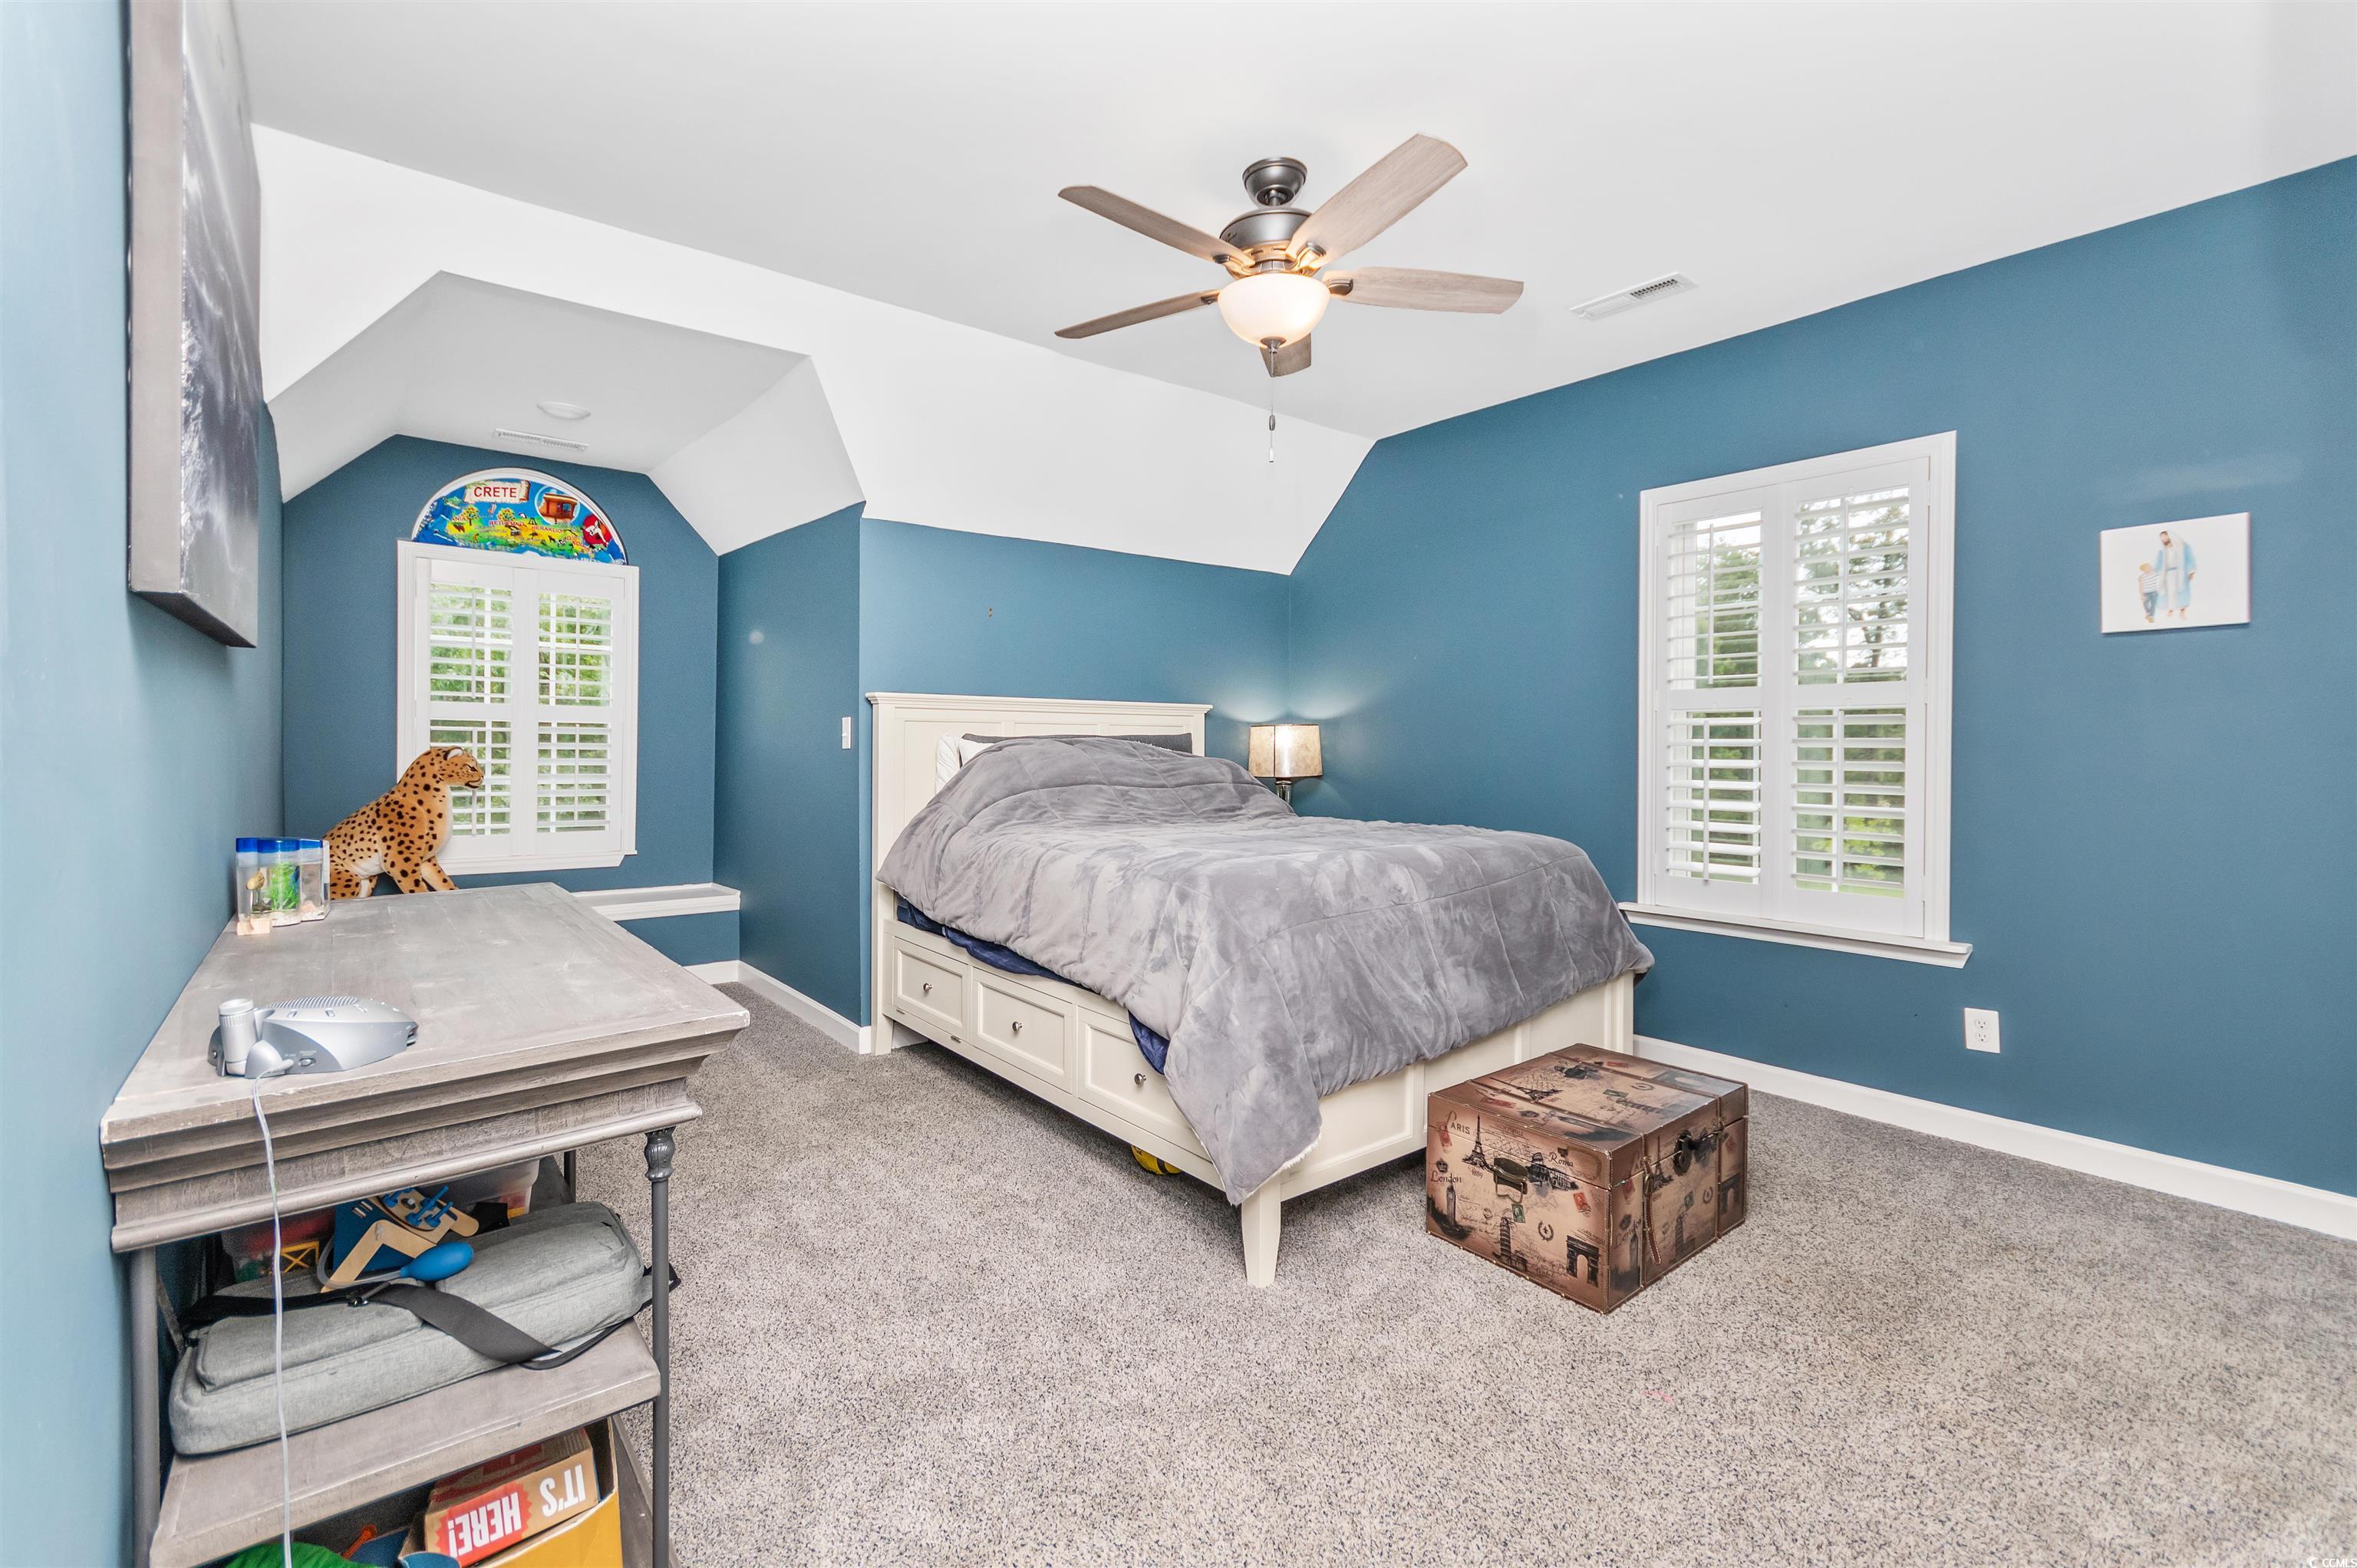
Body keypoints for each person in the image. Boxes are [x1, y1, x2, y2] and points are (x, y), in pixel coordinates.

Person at [2154, 529, 2197, 620]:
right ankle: (2170, 611)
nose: (2166, 542)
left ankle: (2182, 612)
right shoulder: (2162, 551)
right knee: (2169, 594)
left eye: (2167, 540)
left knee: (2181, 593)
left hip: (2180, 574)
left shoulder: (2183, 547)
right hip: (2168, 575)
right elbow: (2158, 563)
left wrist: (2191, 572)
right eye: (2163, 541)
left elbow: (2190, 559)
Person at [2137, 559, 2159, 623]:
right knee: (2145, 604)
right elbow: (2141, 587)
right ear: (2144, 570)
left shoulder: (2155, 573)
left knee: (2153, 605)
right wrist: (2141, 595)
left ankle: (2151, 616)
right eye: (2148, 567)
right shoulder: (2142, 577)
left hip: (2154, 592)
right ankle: (2148, 613)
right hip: (2146, 593)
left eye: (2150, 567)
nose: (2150, 568)